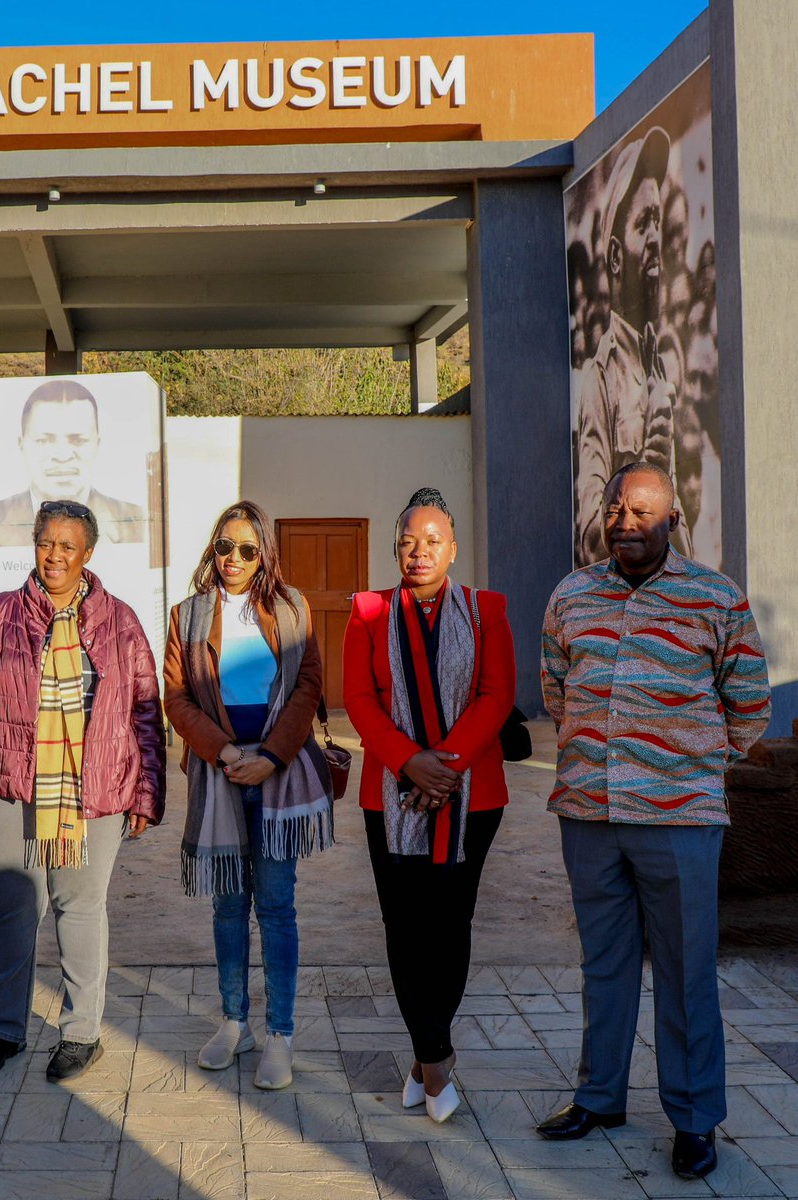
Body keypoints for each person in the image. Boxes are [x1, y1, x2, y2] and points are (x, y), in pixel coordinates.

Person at [537, 462, 771, 1181]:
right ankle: (600, 1096)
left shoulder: (716, 599)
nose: (625, 523)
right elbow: (555, 687)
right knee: (602, 965)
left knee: (684, 971)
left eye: (642, 512)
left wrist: (687, 766)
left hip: (679, 821)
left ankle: (695, 1119)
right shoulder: (573, 593)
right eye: (615, 510)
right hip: (588, 813)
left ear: (674, 520)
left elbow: (750, 706)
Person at [0, 499, 165, 1081]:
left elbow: (146, 710)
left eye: (67, 546)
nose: (54, 555)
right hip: (12, 786)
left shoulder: (119, 623)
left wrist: (147, 790)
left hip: (93, 791)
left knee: (80, 907)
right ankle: (5, 1028)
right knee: (13, 908)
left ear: (88, 554)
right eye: (46, 542)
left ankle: (81, 1033)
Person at [343, 487, 515, 1123]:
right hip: (390, 795)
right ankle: (438, 1060)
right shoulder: (366, 613)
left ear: (453, 549)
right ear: (395, 548)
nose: (419, 552)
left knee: (449, 924)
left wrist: (441, 769)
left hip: (473, 797)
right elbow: (358, 699)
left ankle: (423, 1059)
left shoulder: (486, 610)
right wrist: (408, 762)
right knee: (404, 926)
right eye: (408, 542)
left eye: (431, 541)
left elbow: (497, 695)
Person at [163, 501, 334, 1091]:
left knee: (278, 906)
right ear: (213, 550)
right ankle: (234, 1023)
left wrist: (270, 756)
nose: (233, 560)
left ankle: (280, 1034)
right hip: (220, 775)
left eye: (246, 550)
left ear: (264, 555)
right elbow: (177, 698)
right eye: (224, 547)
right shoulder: (186, 615)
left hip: (276, 775)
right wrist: (225, 752)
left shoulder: (291, 609)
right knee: (229, 908)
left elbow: (310, 684)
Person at [574, 126, 692, 566]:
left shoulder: (658, 367)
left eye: (658, 221)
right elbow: (588, 537)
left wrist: (667, 500)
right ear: (617, 256)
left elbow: (685, 543)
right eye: (644, 224)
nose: (656, 237)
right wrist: (644, 473)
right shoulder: (600, 377)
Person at [0, 379, 146, 546]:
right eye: (44, 441)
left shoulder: (137, 522)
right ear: (22, 445)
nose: (62, 456)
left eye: (78, 440)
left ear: (97, 444)